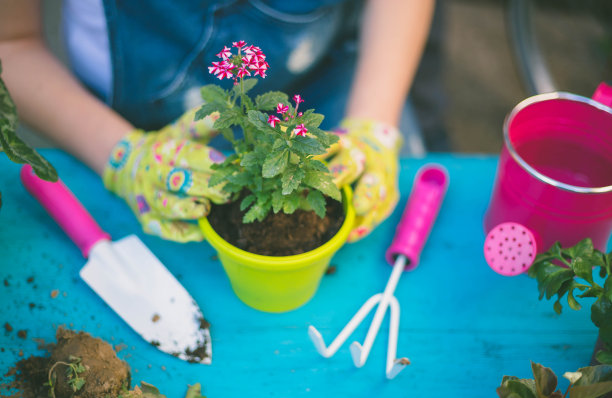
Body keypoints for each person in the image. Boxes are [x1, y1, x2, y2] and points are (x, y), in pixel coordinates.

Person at [0, 0, 435, 243]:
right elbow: (10, 44)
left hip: (341, 82)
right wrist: (124, 155)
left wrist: (375, 122)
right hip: (122, 125)